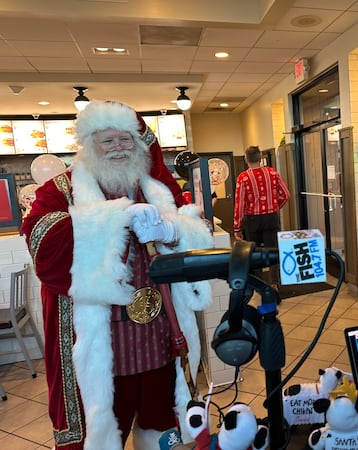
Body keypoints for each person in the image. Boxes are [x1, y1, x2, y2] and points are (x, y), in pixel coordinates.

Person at [21, 101, 214, 450]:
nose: (118, 148)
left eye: (126, 140)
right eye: (107, 141)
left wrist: (172, 231)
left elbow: (197, 235)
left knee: (162, 428)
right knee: (106, 430)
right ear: (89, 145)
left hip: (160, 338)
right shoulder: (59, 191)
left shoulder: (156, 187)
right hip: (104, 344)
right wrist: (115, 220)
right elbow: (43, 248)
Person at [233, 145, 290, 287]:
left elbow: (239, 203)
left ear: (246, 159)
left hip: (252, 219)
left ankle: (259, 283)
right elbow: (286, 194)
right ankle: (274, 282)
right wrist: (275, 206)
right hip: (271, 217)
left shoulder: (243, 178)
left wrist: (237, 227)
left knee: (254, 251)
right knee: (273, 249)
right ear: (260, 158)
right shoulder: (272, 173)